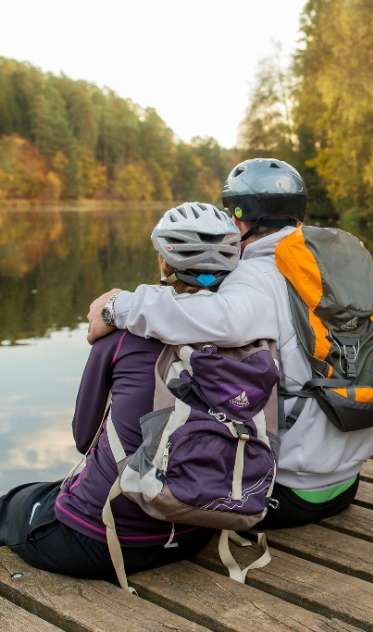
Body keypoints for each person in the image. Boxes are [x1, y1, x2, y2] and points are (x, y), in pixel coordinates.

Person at [86, 159, 373, 529]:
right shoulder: (329, 264)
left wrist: (117, 306)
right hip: (346, 482)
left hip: (288, 493)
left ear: (240, 220)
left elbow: (217, 318)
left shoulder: (259, 272)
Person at [0, 203, 241, 578]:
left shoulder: (122, 337)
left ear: (164, 262)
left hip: (99, 539)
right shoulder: (250, 340)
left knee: (14, 504)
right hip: (195, 528)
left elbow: (84, 437)